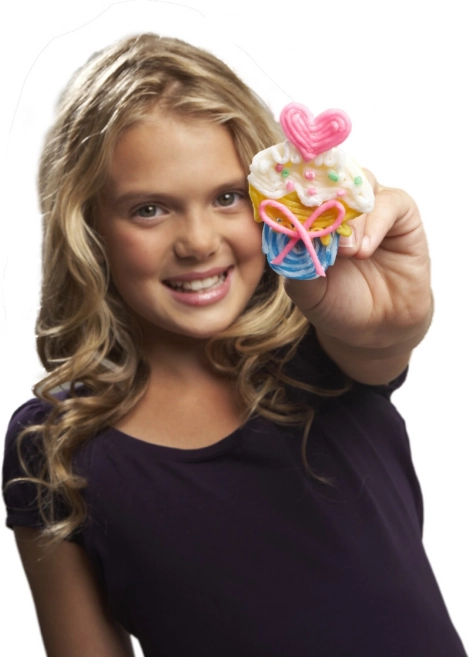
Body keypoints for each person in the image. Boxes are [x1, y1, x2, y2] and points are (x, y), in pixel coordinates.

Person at [1, 33, 466, 657]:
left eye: (227, 198)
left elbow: (381, 341)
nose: (198, 241)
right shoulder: (55, 444)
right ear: (88, 227)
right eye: (149, 209)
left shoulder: (322, 346)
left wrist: (391, 324)